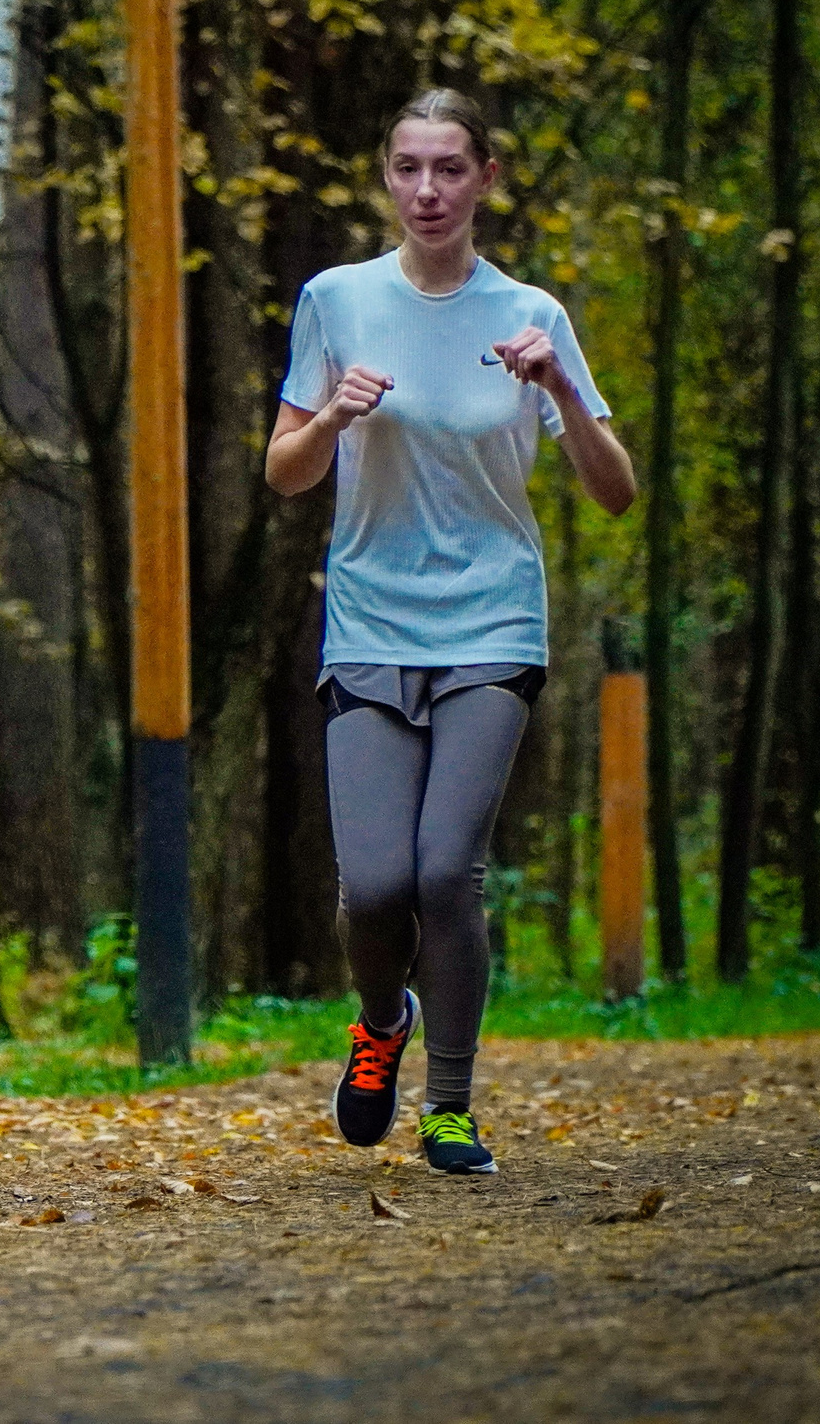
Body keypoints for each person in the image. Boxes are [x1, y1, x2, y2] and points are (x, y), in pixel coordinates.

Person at [264, 88, 637, 1176]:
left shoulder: (531, 315)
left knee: (444, 874)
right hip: (371, 621)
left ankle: (452, 1107)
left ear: (485, 179)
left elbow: (614, 494)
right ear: (385, 179)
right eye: (407, 169)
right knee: (372, 886)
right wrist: (332, 415)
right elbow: (284, 475)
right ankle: (382, 1021)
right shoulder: (335, 300)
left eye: (449, 169)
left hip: (491, 619)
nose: (427, 191)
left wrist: (559, 383)